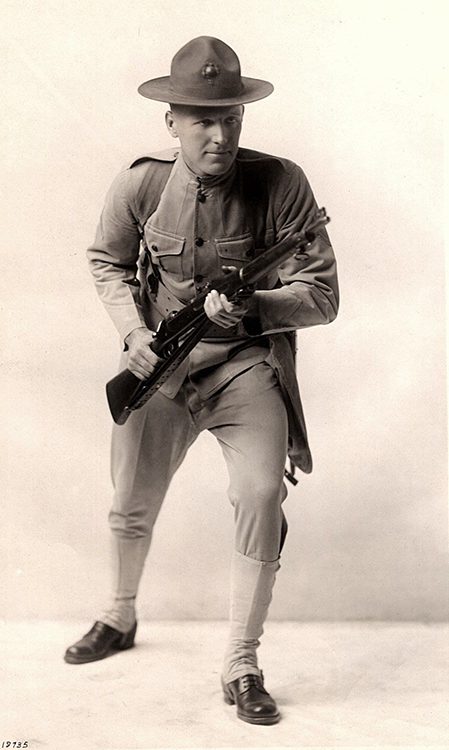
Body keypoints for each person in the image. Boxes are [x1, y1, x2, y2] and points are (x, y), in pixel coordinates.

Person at [64, 36, 339, 726]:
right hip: (158, 369)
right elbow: (106, 260)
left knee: (259, 492)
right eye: (202, 120)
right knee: (130, 501)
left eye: (230, 120)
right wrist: (132, 335)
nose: (218, 135)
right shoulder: (141, 182)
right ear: (172, 121)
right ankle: (119, 615)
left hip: (242, 365)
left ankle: (241, 662)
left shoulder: (281, 184)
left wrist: (255, 305)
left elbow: (324, 297)